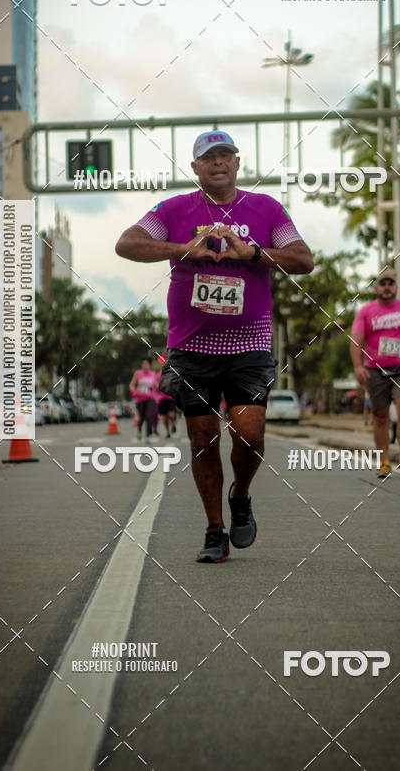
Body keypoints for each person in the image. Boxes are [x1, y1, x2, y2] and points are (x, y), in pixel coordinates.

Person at [115, 130, 314, 563]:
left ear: (238, 163)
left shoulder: (266, 209)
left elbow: (304, 259)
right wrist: (184, 248)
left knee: (250, 432)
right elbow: (126, 243)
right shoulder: (173, 209)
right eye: (209, 157)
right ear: (196, 168)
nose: (218, 163)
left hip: (250, 342)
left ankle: (240, 494)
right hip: (191, 346)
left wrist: (253, 254)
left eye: (226, 155)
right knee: (202, 438)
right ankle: (214, 529)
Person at [350, 266, 400, 479]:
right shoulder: (366, 311)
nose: (387, 287)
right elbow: (356, 340)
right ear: (376, 288)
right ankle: (383, 462)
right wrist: (358, 366)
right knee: (380, 416)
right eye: (383, 283)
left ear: (396, 287)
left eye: (391, 283)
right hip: (375, 371)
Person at [129, 358, 158, 440]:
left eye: (146, 364)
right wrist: (133, 391)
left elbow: (156, 385)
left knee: (149, 415)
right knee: (142, 417)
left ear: (150, 365)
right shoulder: (138, 373)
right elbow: (131, 384)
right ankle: (139, 430)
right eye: (143, 364)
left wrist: (160, 388)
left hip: (150, 398)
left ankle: (148, 435)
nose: (145, 365)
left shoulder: (153, 374)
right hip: (140, 399)